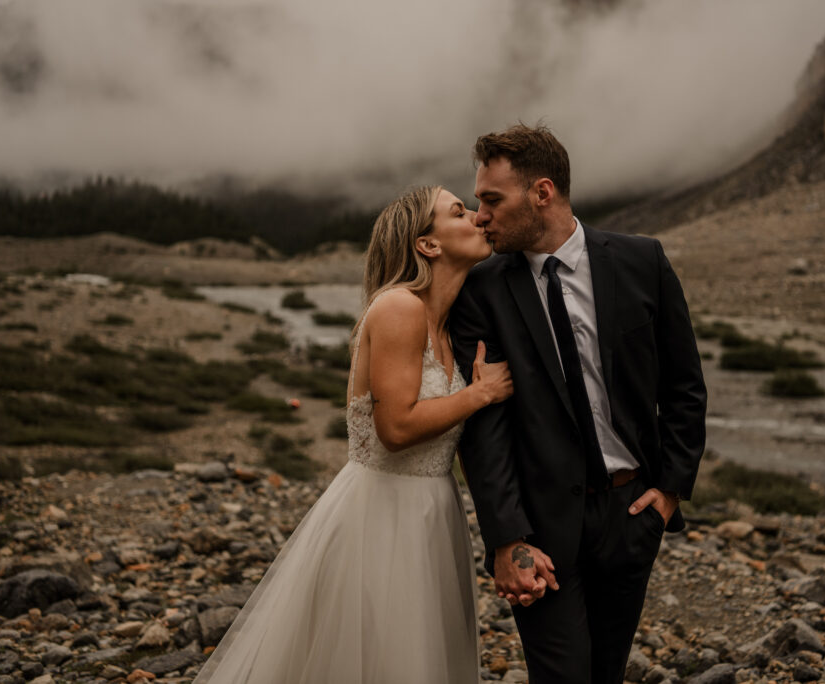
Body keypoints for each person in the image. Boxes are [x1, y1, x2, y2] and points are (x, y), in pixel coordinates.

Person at [192, 185, 513, 683]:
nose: (478, 217)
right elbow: (396, 428)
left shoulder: (448, 323)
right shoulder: (398, 308)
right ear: (427, 244)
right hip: (382, 517)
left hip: (435, 511)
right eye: (459, 211)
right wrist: (478, 394)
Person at [450, 124, 707, 684]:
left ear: (542, 193)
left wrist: (668, 491)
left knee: (606, 673)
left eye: (492, 200)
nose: (480, 216)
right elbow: (484, 428)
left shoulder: (643, 261)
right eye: (477, 202)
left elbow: (684, 385)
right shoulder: (482, 291)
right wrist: (506, 539)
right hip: (540, 532)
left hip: (632, 512)